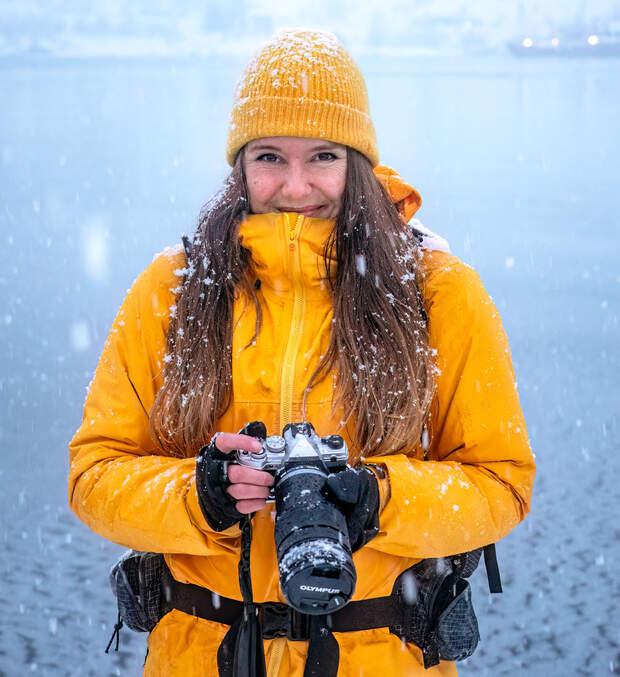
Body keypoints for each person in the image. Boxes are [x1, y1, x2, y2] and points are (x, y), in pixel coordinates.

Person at [68, 29, 535, 676]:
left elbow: (502, 485)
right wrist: (200, 496)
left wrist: (379, 499)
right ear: (239, 165)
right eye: (268, 157)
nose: (294, 186)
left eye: (322, 156)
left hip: (379, 657)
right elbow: (93, 476)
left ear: (358, 160)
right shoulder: (172, 291)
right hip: (200, 657)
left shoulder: (436, 293)